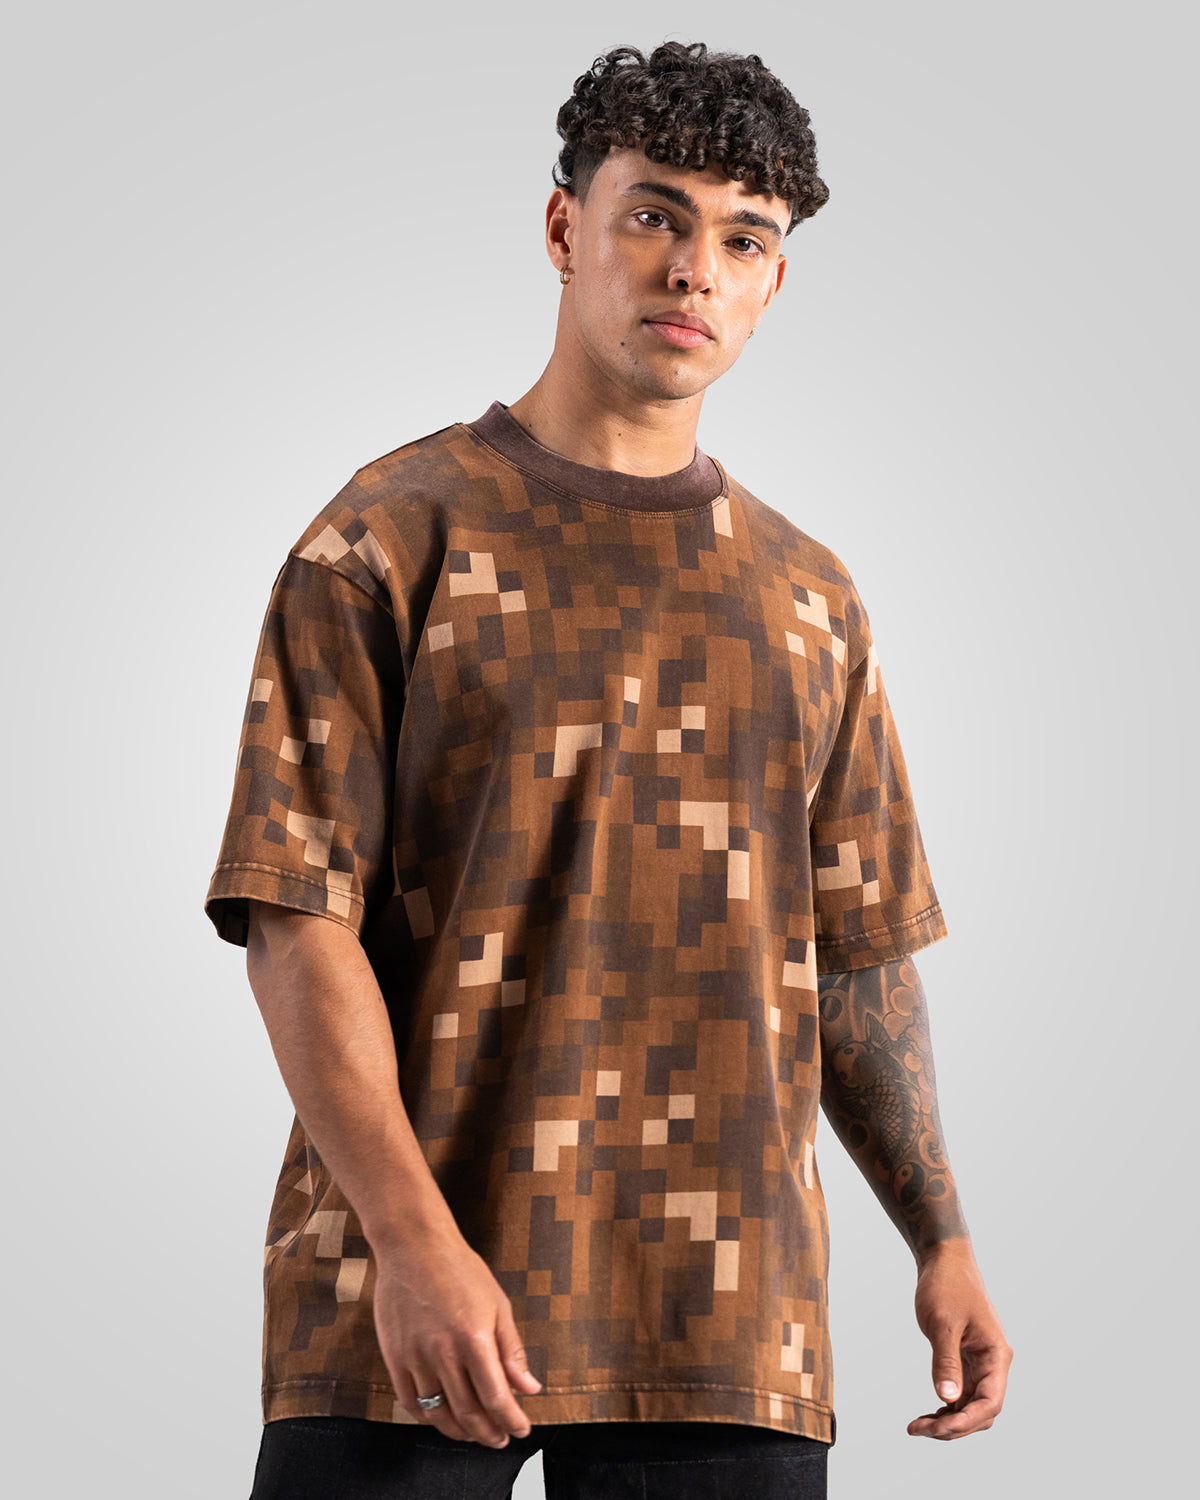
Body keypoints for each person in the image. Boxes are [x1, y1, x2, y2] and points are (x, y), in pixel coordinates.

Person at [203, 39, 1011, 1500]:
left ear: (773, 283)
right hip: (402, 1312)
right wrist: (413, 1241)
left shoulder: (810, 599)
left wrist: (940, 1236)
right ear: (565, 226)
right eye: (655, 215)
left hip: (729, 1324)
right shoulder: (388, 538)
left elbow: (856, 956)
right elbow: (293, 918)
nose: (693, 268)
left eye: (743, 238)